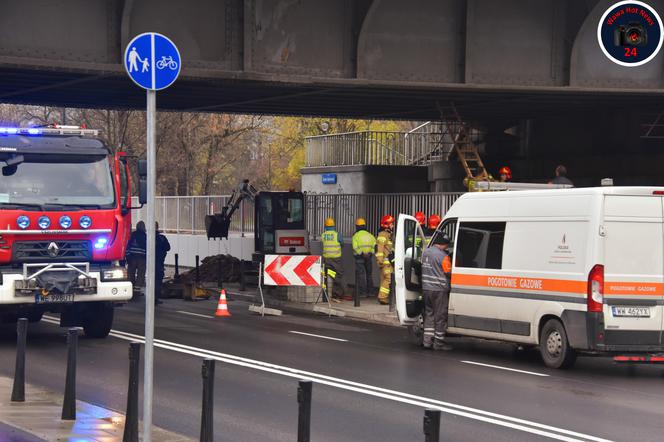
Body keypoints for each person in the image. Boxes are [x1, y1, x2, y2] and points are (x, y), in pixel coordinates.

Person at [421, 234, 453, 351]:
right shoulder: (443, 256)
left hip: (426, 289)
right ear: (444, 244)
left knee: (429, 315)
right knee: (440, 316)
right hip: (439, 290)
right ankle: (438, 343)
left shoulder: (425, 252)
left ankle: (427, 342)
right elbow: (449, 273)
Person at [322, 218, 349, 301]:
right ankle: (337, 293)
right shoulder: (337, 235)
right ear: (333, 226)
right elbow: (342, 243)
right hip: (336, 259)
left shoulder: (323, 235)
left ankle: (326, 295)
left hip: (326, 258)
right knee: (338, 275)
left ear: (325, 226)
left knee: (327, 275)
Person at [351, 218, 376, 298]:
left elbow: (355, 247)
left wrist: (361, 253)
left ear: (357, 226)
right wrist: (369, 253)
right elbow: (374, 246)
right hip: (369, 257)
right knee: (369, 275)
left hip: (359, 258)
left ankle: (363, 293)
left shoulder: (356, 236)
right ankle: (371, 292)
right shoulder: (370, 235)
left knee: (361, 275)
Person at [375, 215, 395, 305]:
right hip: (385, 262)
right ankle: (383, 297)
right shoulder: (383, 235)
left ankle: (382, 296)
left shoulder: (388, 235)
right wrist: (380, 261)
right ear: (387, 225)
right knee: (389, 279)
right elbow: (380, 249)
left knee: (384, 279)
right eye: (392, 224)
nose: (393, 225)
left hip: (387, 262)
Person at [126, 221, 146, 300]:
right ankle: (137, 290)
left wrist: (127, 256)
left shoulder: (133, 235)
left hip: (132, 257)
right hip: (142, 258)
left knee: (131, 273)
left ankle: (131, 289)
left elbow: (128, 246)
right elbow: (147, 248)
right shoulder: (145, 236)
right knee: (141, 273)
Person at [155, 222, 171, 305]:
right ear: (157, 227)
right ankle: (156, 298)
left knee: (152, 280)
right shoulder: (162, 238)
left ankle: (152, 297)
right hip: (159, 262)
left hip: (151, 263)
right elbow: (168, 248)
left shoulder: (148, 237)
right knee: (158, 280)